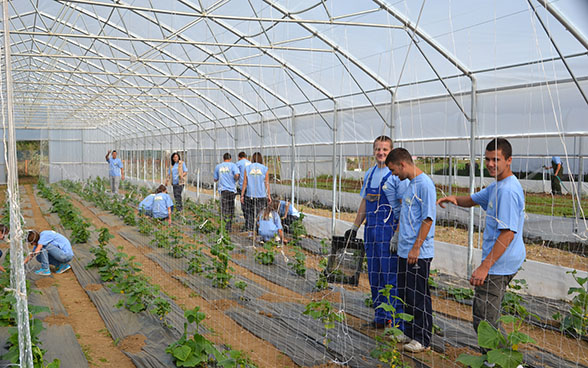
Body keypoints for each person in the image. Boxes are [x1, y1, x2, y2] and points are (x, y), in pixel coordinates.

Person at [437, 138, 525, 363]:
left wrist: (485, 266)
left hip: (499, 263)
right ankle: (498, 358)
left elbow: (508, 233)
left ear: (509, 160)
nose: (491, 164)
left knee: (485, 318)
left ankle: (506, 362)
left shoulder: (507, 191)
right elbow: (474, 199)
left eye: (496, 159)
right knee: (487, 315)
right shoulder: (496, 186)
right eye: (487, 159)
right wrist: (454, 199)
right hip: (502, 260)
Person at [345, 135, 408, 331]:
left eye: (385, 150)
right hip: (371, 230)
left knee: (390, 275)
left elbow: (403, 206)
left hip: (388, 231)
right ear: (374, 151)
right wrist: (355, 227)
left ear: (391, 152)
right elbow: (365, 201)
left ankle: (394, 321)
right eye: (378, 149)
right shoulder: (370, 173)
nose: (381, 153)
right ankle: (380, 316)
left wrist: (397, 234)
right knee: (374, 274)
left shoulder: (396, 176)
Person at [386, 147, 436, 353]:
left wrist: (416, 248)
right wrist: (397, 236)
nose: (393, 174)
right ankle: (409, 331)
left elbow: (428, 218)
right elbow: (405, 214)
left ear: (402, 164)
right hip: (404, 251)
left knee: (418, 295)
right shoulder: (408, 185)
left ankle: (423, 339)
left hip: (418, 253)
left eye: (393, 170)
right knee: (405, 293)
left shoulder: (425, 185)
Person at [240, 152, 270, 234]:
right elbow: (266, 183)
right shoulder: (265, 168)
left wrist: (242, 195)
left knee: (250, 213)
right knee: (259, 213)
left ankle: (249, 229)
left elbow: (245, 183)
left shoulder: (248, 168)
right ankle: (259, 230)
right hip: (261, 195)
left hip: (250, 194)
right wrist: (269, 195)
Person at [214, 153, 240, 232]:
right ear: (230, 158)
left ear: (223, 158)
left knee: (224, 208)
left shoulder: (218, 166)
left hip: (223, 190)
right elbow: (236, 175)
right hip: (232, 190)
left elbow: (215, 179)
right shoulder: (233, 165)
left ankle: (224, 226)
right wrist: (235, 179)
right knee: (231, 207)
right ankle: (229, 226)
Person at [236, 152, 251, 228]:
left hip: (243, 187)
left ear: (239, 157)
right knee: (250, 206)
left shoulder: (238, 163)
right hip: (251, 188)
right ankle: (250, 223)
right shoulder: (250, 163)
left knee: (244, 206)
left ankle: (247, 224)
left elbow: (236, 175)